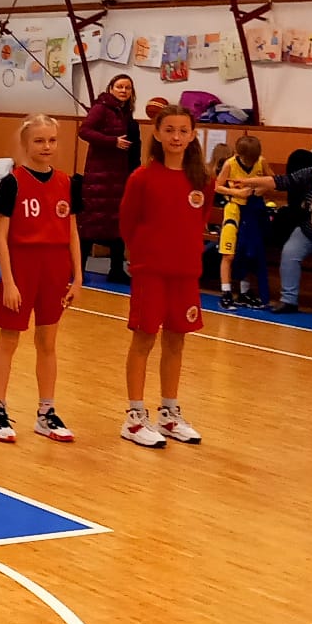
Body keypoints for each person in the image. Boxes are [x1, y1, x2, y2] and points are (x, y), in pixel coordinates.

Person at [118, 105, 211, 447]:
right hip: (151, 272)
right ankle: (134, 416)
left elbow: (199, 220)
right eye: (169, 130)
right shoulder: (142, 178)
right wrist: (145, 254)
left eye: (183, 131)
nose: (176, 137)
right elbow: (127, 223)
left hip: (185, 273)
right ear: (157, 133)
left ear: (192, 135)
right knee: (144, 339)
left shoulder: (202, 180)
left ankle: (169, 413)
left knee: (177, 340)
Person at [0, 114, 82, 443]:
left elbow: (72, 232)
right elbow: (1, 237)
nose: (46, 146)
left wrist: (77, 276)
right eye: (39, 140)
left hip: (54, 269)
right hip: (22, 267)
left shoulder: (67, 183)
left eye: (52, 140)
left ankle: (46, 412)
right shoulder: (12, 183)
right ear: (26, 144)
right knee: (9, 339)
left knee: (47, 342)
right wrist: (9, 281)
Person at [235, 149, 312, 313]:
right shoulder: (311, 174)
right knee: (289, 252)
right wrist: (247, 181)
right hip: (309, 228)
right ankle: (288, 300)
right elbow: (282, 181)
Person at [78, 74, 140, 284]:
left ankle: (116, 269)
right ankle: (78, 268)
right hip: (100, 175)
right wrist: (112, 141)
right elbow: (84, 131)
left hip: (120, 175)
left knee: (118, 223)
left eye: (127, 88)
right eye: (120, 87)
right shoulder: (101, 108)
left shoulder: (126, 113)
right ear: (111, 88)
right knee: (90, 222)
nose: (123, 91)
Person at [217, 133, 274, 309]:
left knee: (249, 252)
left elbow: (272, 181)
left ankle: (244, 292)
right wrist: (236, 192)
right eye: (247, 160)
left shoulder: (261, 162)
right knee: (229, 253)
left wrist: (260, 189)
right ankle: (226, 292)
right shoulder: (230, 164)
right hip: (233, 209)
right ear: (239, 154)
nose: (250, 163)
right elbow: (217, 186)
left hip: (253, 210)